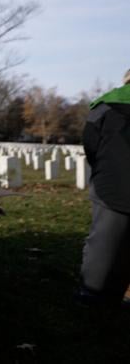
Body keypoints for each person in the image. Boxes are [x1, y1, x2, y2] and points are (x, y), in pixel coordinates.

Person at [77, 68, 130, 308]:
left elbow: (91, 143)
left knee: (103, 243)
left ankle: (92, 293)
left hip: (111, 184)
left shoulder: (104, 106)